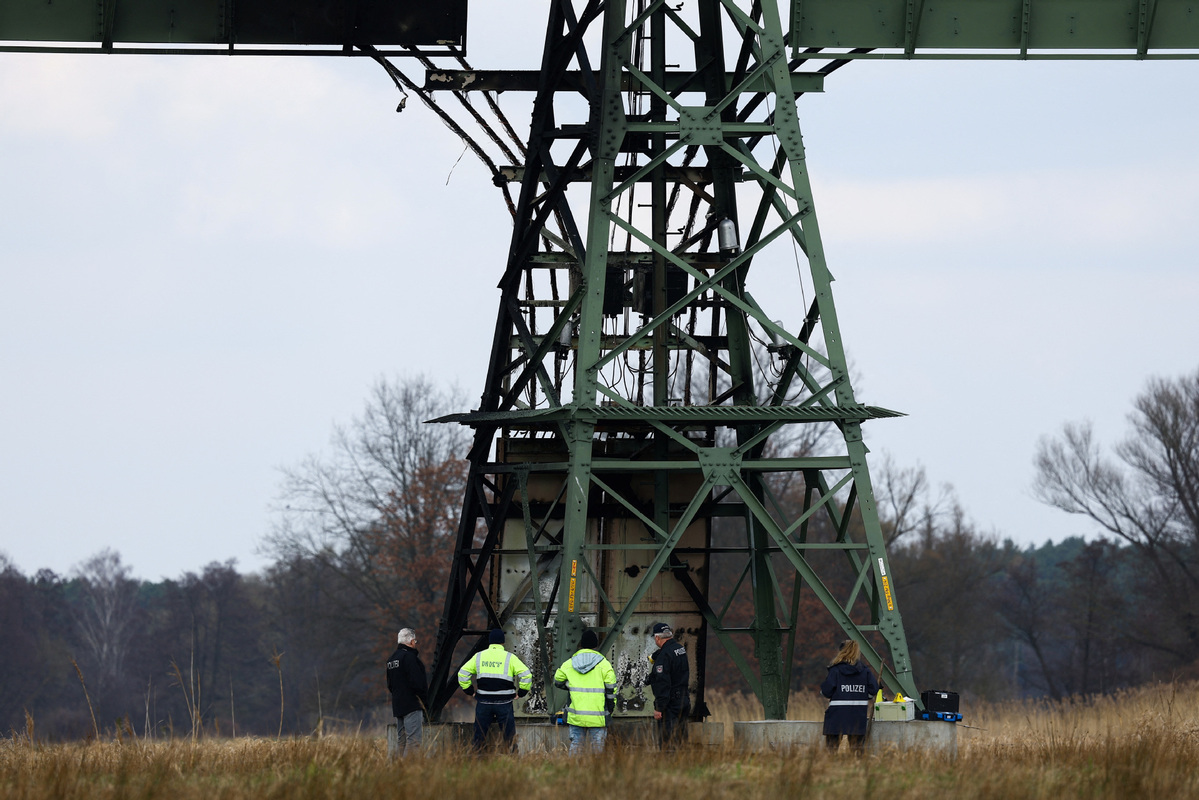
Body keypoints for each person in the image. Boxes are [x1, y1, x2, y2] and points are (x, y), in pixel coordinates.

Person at [457, 628, 532, 751]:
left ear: (490, 642)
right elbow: (526, 675)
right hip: (505, 703)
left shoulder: (479, 656)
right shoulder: (510, 657)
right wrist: (522, 692)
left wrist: (470, 691)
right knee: (509, 738)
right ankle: (513, 761)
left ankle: (476, 762)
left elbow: (462, 673)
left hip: (484, 702)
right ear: (502, 642)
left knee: (478, 738)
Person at [553, 629, 617, 754]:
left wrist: (570, 686)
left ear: (581, 644)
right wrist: (610, 707)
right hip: (598, 716)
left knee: (576, 744)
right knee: (597, 748)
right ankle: (595, 772)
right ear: (596, 645)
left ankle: (573, 772)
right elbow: (611, 689)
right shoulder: (604, 664)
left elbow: (557, 680)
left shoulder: (570, 663)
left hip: (576, 715)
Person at [820, 639, 878, 753]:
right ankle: (857, 769)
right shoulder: (865, 671)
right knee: (857, 750)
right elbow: (874, 689)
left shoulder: (835, 670)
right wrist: (864, 695)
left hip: (837, 715)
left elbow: (826, 691)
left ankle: (830, 769)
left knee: (831, 750)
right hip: (857, 714)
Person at [646, 621, 691, 748]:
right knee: (681, 739)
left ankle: (668, 765)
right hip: (684, 699)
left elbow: (662, 683)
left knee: (667, 740)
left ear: (657, 637)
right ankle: (683, 764)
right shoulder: (679, 649)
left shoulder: (664, 655)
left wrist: (659, 708)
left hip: (670, 704)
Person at [386, 627, 428, 757]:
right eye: (415, 640)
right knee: (414, 742)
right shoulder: (410, 658)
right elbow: (418, 683)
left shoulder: (391, 660)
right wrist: (423, 699)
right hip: (412, 705)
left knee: (401, 741)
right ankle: (409, 770)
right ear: (410, 641)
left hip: (398, 706)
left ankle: (398, 769)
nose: (415, 643)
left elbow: (390, 685)